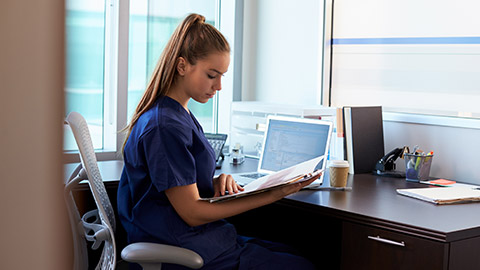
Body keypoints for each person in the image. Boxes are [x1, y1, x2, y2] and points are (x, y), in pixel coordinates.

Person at [117, 13, 318, 270]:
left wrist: (214, 183)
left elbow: (173, 186)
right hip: (180, 245)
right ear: (182, 67)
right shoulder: (164, 125)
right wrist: (274, 193)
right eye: (212, 75)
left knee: (293, 252)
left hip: (199, 238)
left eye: (222, 75)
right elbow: (191, 212)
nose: (219, 86)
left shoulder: (178, 114)